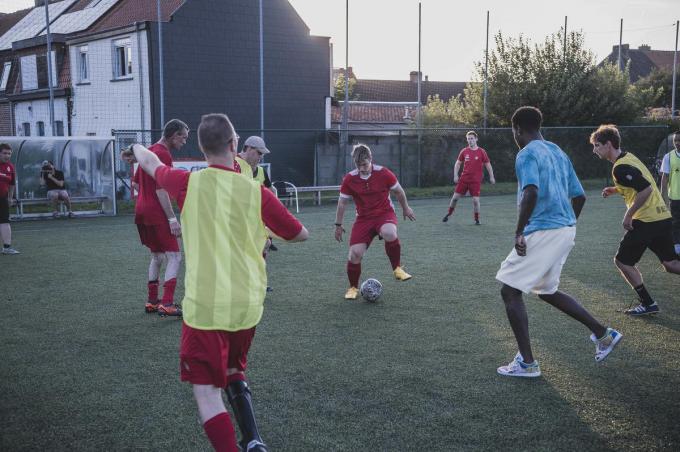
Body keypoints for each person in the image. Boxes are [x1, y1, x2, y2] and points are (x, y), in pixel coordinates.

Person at [122, 112, 308, 452]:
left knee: (207, 392)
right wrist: (260, 230)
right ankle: (253, 440)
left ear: (201, 148)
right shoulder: (257, 193)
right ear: (234, 145)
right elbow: (300, 234)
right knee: (235, 367)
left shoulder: (187, 184)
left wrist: (135, 146)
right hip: (247, 306)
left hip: (206, 308)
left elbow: (149, 161)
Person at [495, 107, 621, 378]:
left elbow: (530, 191)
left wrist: (519, 231)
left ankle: (527, 364)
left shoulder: (526, 153)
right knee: (547, 290)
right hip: (565, 230)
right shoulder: (557, 151)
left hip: (544, 230)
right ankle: (603, 334)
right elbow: (580, 197)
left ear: (517, 129)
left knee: (509, 291)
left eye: (513, 132)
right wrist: (567, 224)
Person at [590, 124, 680, 316]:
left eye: (597, 145)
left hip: (646, 220)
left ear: (608, 145)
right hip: (662, 217)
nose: (594, 150)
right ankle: (648, 304)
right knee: (671, 264)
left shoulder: (620, 168)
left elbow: (646, 190)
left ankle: (648, 304)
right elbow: (640, 183)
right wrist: (615, 190)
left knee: (622, 262)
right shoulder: (628, 157)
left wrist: (628, 215)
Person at [335, 144, 415, 300]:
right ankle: (353, 288)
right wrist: (338, 225)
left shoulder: (384, 173)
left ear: (371, 159)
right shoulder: (350, 179)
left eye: (364, 164)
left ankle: (397, 269)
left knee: (389, 232)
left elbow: (399, 191)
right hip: (363, 219)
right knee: (354, 254)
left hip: (384, 213)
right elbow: (342, 203)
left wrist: (406, 208)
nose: (362, 168)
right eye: (358, 165)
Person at [132, 119, 188, 317]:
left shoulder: (149, 151)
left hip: (141, 210)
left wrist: (144, 203)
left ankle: (152, 301)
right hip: (156, 212)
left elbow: (136, 185)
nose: (185, 142)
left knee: (157, 256)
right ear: (174, 135)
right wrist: (172, 219)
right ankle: (167, 303)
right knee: (175, 256)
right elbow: (161, 188)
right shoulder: (163, 153)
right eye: (183, 137)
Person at [442, 131, 496, 225]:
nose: (470, 140)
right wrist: (455, 175)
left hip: (475, 181)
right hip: (464, 179)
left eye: (472, 138)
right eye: (468, 139)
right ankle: (449, 214)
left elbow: (488, 165)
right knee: (454, 199)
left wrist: (492, 177)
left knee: (475, 200)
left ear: (476, 139)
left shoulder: (481, 152)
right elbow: (458, 164)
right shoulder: (464, 151)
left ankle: (477, 219)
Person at [660, 131, 680, 257]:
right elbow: (665, 178)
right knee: (676, 223)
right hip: (675, 197)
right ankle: (677, 248)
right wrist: (663, 196)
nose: (677, 143)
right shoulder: (668, 156)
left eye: (679, 140)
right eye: (675, 141)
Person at [0, 143, 19, 255]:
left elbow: (12, 184)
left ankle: (7, 248)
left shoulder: (10, 167)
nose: (7, 155)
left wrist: (10, 198)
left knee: (4, 221)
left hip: (3, 198)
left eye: (9, 153)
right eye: (4, 153)